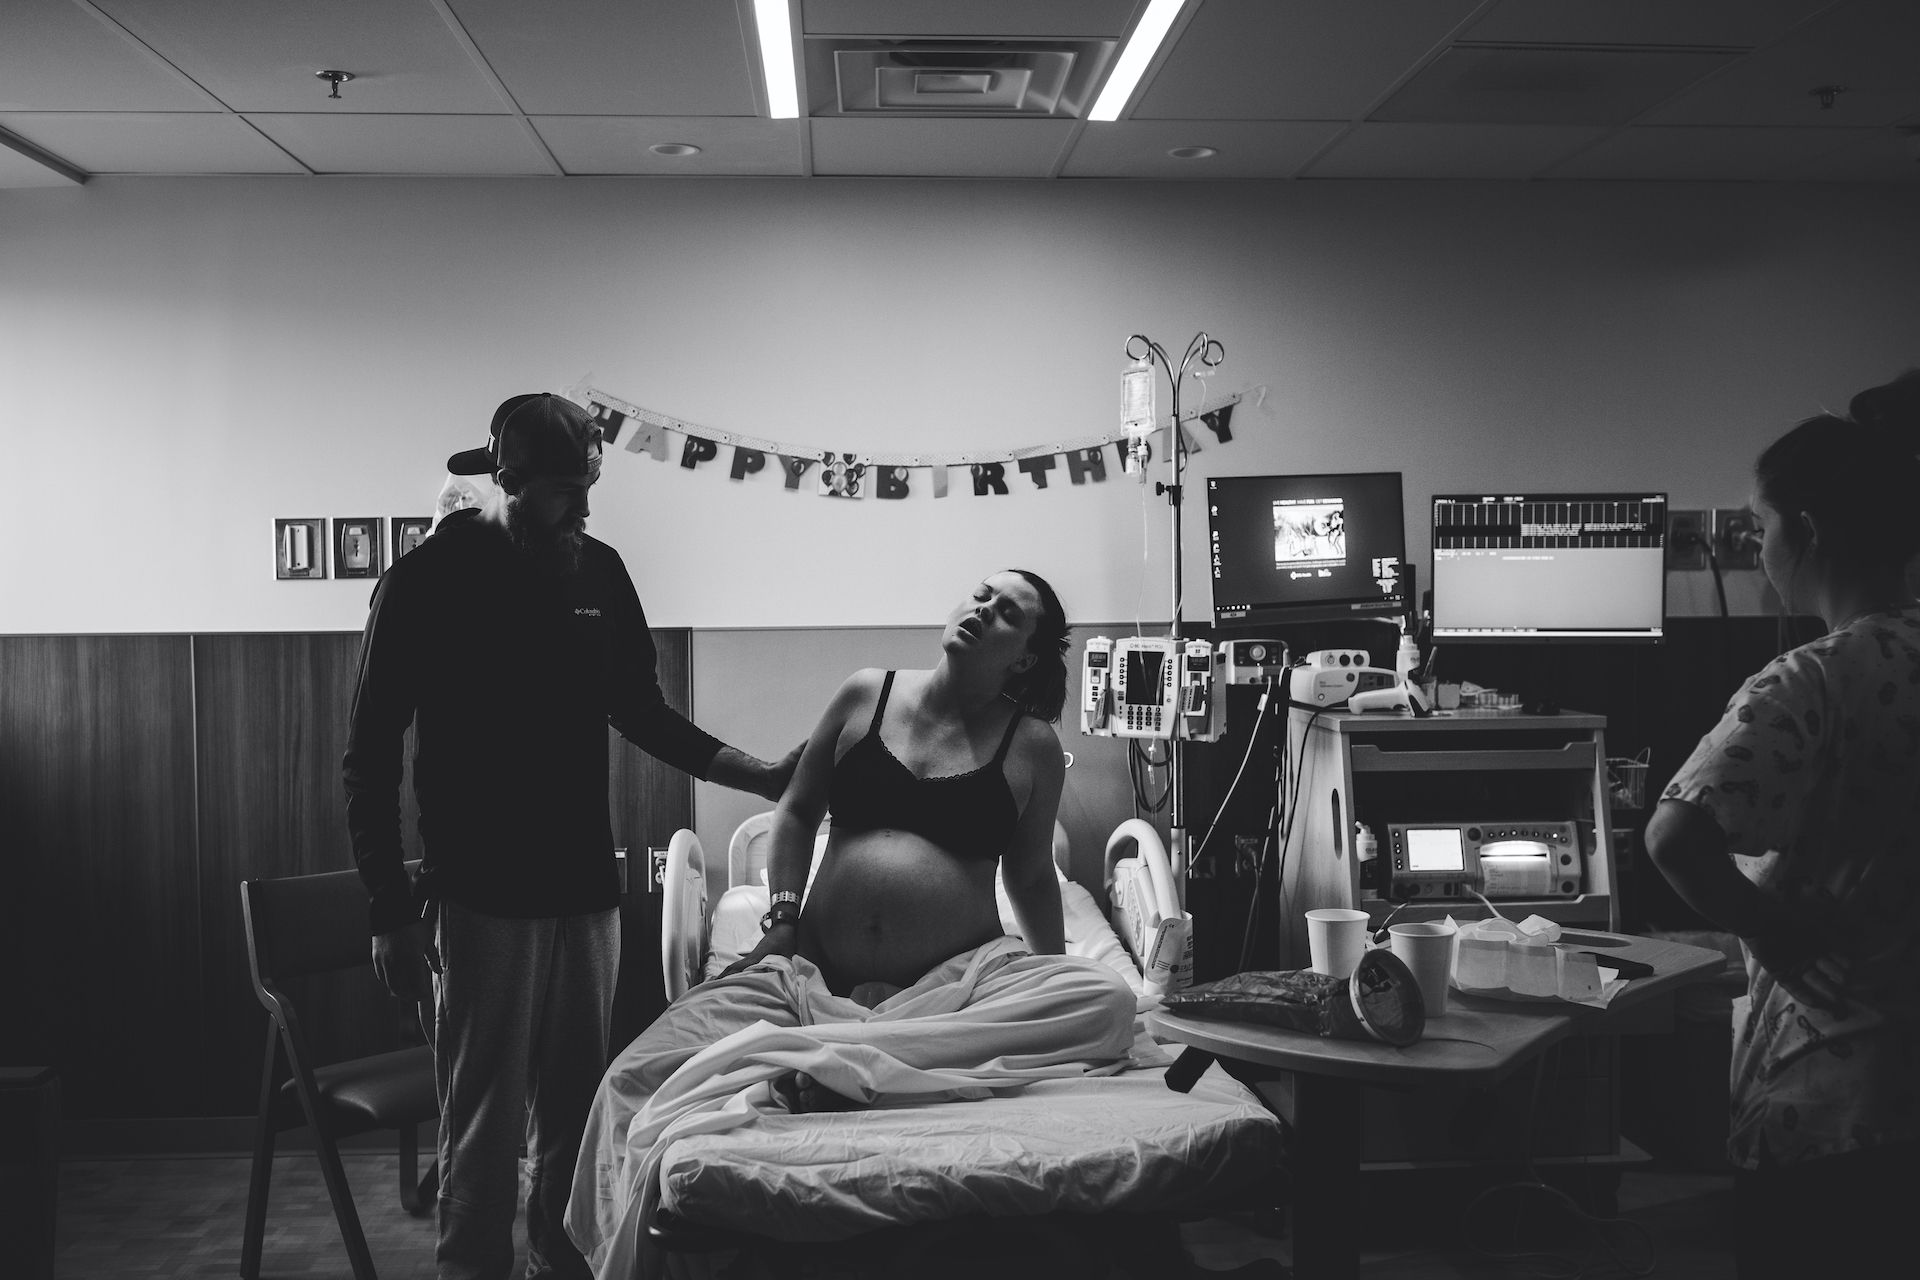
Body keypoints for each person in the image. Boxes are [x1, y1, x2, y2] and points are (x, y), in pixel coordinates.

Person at [343, 392, 800, 1280]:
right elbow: (367, 757)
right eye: (565, 491)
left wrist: (761, 776)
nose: (584, 508)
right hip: (480, 899)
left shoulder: (599, 572)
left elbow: (641, 711)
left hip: (587, 895)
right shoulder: (424, 582)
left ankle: (559, 1267)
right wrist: (388, 908)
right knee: (482, 1127)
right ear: (508, 482)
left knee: (577, 1118)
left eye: (590, 487)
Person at [565, 569, 1136, 1278]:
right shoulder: (868, 693)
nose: (983, 609)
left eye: (1007, 613)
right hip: (811, 973)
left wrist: (1045, 974)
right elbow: (797, 811)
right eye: (981, 595)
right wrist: (780, 921)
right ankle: (858, 1059)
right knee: (629, 1079)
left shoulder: (1033, 745)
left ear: (1024, 659)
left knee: (1106, 1000)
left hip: (953, 986)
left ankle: (835, 1062)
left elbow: (1029, 874)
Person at [1645, 377, 1920, 1279]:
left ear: (1806, 529)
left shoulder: (1813, 680)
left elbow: (1675, 838)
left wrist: (1771, 931)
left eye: (1759, 526)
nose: (1760, 549)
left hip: (1833, 1098)